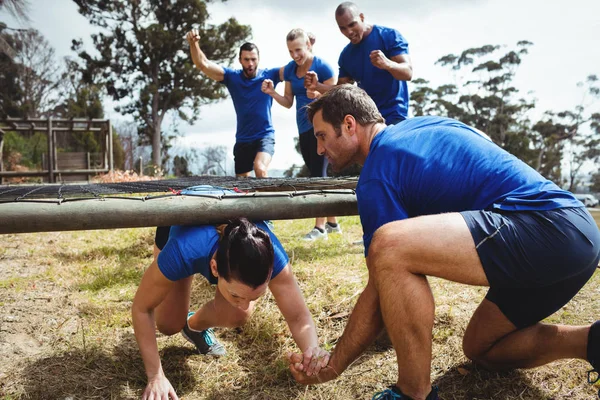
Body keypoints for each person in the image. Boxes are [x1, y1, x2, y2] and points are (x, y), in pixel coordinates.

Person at [287, 85, 600, 400]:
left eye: (322, 135)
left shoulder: (378, 173)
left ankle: (413, 392)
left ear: (350, 125)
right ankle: (591, 342)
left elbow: (381, 286)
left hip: (546, 226)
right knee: (482, 348)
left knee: (389, 246)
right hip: (578, 234)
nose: (319, 149)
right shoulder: (423, 125)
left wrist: (333, 365)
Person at [132, 217, 329, 399]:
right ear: (215, 268)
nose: (245, 305)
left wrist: (312, 353)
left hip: (218, 241)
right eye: (236, 294)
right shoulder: (182, 251)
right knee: (168, 325)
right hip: (182, 228)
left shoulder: (272, 256)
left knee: (238, 314)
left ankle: (193, 326)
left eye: (255, 296)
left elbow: (298, 316)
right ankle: (183, 318)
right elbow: (142, 307)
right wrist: (155, 376)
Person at [261, 28, 342, 241]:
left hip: (322, 127)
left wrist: (316, 92)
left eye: (298, 49)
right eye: (290, 51)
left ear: (308, 45)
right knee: (317, 171)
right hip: (303, 128)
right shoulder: (290, 70)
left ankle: (320, 228)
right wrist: (273, 93)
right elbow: (288, 102)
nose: (295, 55)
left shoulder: (322, 66)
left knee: (318, 174)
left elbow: (336, 94)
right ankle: (333, 222)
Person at [186, 29, 281, 177]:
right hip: (243, 139)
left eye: (253, 59)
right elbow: (203, 64)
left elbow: (294, 68)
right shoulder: (232, 77)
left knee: (260, 168)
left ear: (259, 59)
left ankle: (270, 200)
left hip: (265, 136)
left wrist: (308, 49)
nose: (250, 64)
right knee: (242, 185)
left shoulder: (270, 75)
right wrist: (194, 44)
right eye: (246, 59)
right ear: (240, 60)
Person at [304, 2, 413, 125]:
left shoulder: (388, 36)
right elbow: (341, 89)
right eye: (343, 28)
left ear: (361, 17)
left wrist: (387, 64)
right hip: (368, 120)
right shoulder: (346, 55)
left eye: (352, 24)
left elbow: (408, 73)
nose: (349, 32)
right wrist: (317, 86)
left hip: (395, 117)